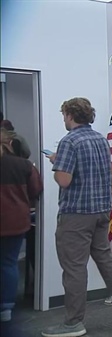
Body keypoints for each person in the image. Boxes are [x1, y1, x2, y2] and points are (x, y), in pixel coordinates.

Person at [42, 97, 112, 337]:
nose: (64, 119)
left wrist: (56, 165)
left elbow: (64, 180)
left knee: (74, 268)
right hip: (100, 212)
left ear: (69, 114)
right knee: (107, 259)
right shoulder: (100, 139)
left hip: (76, 215)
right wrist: (62, 160)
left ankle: (73, 323)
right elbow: (105, 172)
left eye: (64, 115)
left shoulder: (69, 141)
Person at [0, 128, 42, 327]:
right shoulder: (24, 165)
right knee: (9, 263)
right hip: (15, 222)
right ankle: (6, 309)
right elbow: (37, 190)